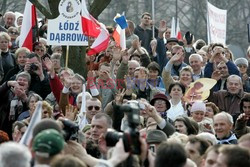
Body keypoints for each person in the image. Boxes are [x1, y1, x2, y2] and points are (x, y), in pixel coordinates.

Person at [0, 72, 30, 138]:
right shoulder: (8, 92)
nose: (21, 81)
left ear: (28, 85)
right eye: (19, 79)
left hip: (20, 128)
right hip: (4, 126)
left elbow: (32, 108)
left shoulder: (31, 95)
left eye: (24, 80)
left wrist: (24, 98)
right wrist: (7, 83)